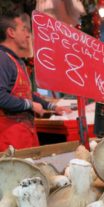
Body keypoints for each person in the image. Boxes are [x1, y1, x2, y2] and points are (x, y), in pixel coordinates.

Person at [0, 10, 72, 152]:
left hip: (24, 137)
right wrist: (30, 105)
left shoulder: (16, 60)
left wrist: (52, 107)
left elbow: (26, 94)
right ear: (11, 32)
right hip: (9, 141)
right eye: (24, 29)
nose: (28, 34)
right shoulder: (2, 59)